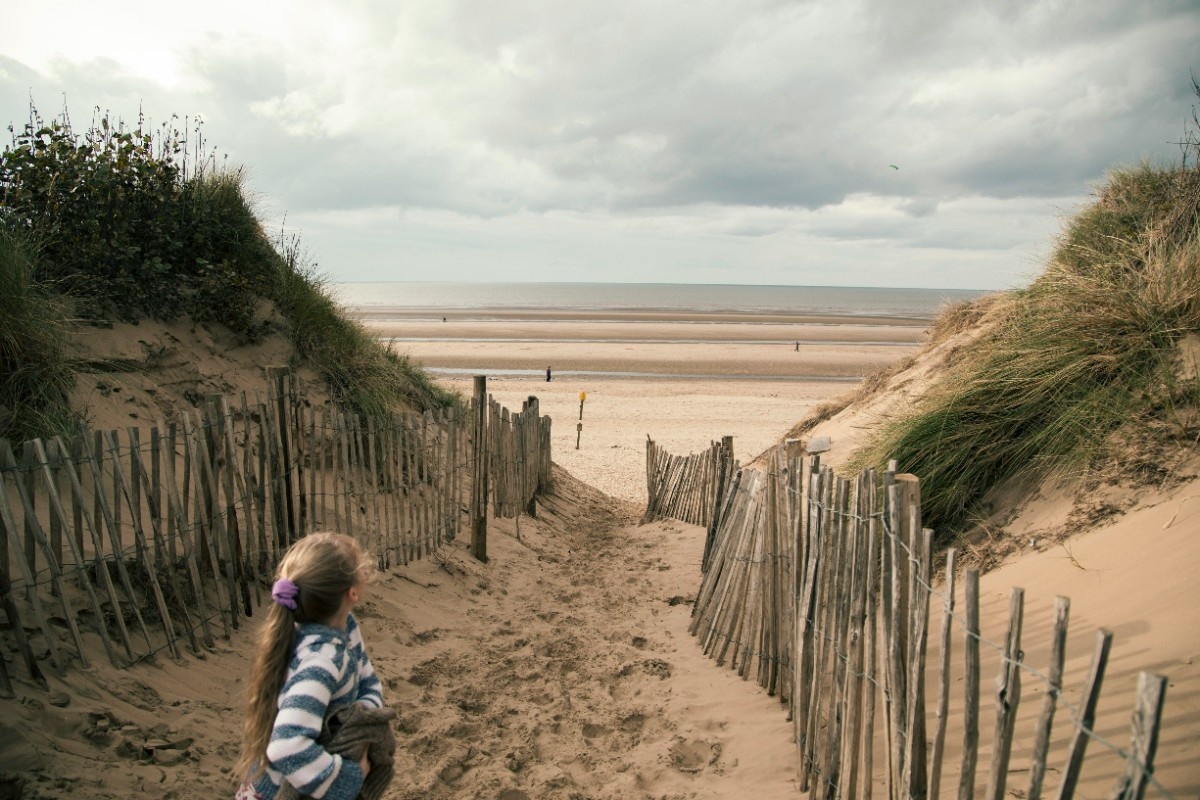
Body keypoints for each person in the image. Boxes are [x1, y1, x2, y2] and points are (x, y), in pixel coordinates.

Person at [235, 533, 384, 800]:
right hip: (286, 790)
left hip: (315, 773)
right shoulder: (321, 661)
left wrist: (361, 729)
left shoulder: (346, 628)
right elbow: (286, 745)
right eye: (360, 566)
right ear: (353, 592)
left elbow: (367, 681)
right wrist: (349, 776)